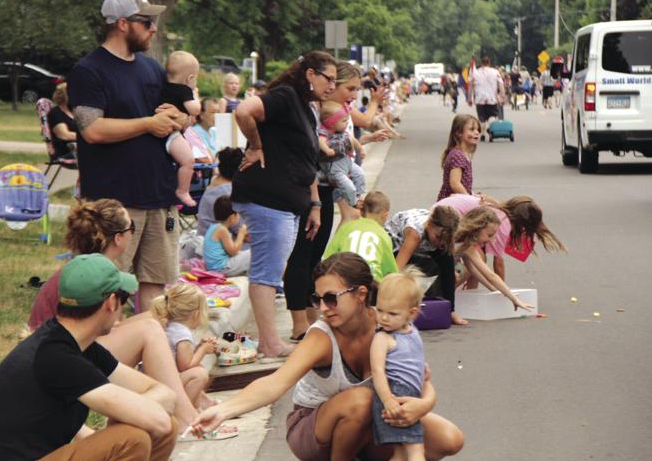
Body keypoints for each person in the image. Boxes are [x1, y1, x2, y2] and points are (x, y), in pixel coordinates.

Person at [191, 253, 464, 460]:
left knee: (449, 439)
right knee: (361, 399)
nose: (323, 308)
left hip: (374, 419)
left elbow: (419, 378)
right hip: (314, 430)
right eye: (317, 298)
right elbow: (276, 382)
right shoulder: (322, 337)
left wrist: (424, 404)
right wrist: (223, 410)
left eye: (331, 298)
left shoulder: (390, 322)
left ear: (361, 294)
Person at [26, 198, 219, 433]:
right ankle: (187, 418)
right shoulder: (98, 273)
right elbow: (107, 329)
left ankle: (184, 407)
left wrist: (157, 316)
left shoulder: (87, 268)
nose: (133, 235)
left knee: (150, 324)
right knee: (150, 331)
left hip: (55, 350)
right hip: (59, 357)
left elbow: (108, 325)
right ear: (119, 238)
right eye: (132, 229)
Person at [0, 254, 178, 461]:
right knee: (131, 438)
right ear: (112, 302)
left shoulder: (76, 344)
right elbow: (158, 419)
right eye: (124, 298)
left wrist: (131, 413)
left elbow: (167, 397)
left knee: (161, 427)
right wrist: (131, 413)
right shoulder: (56, 357)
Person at [67, 0, 187, 312]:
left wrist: (181, 117)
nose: (154, 28)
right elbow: (92, 129)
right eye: (146, 21)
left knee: (155, 285)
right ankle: (106, 359)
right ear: (122, 23)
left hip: (158, 197)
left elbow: (176, 112)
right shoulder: (89, 71)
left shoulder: (152, 69)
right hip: (114, 201)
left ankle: (146, 357)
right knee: (108, 287)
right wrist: (148, 123)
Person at [231, 50, 337, 359]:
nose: (331, 86)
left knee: (271, 270)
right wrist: (255, 144)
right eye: (328, 78)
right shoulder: (286, 95)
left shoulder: (305, 107)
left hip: (289, 202)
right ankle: (269, 342)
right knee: (267, 272)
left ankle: (270, 340)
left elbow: (306, 161)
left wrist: (314, 203)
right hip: (268, 198)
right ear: (310, 75)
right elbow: (244, 111)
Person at [283, 61, 390, 343]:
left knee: (315, 254)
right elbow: (313, 153)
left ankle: (311, 316)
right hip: (311, 189)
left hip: (327, 188)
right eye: (349, 88)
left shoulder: (335, 112)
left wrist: (362, 141)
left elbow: (348, 138)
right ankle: (298, 323)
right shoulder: (314, 113)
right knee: (302, 254)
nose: (353, 95)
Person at [435, 193, 566, 283]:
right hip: (447, 218)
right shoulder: (503, 224)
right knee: (476, 261)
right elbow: (498, 264)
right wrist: (501, 293)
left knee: (479, 259)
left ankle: (469, 293)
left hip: (445, 210)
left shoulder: (500, 211)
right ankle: (449, 294)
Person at [371, 270, 426, 460]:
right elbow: (377, 371)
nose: (384, 318)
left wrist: (422, 367)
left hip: (409, 393)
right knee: (415, 448)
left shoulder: (412, 331)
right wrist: (388, 400)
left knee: (402, 453)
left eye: (392, 313)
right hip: (394, 394)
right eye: (380, 310)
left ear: (412, 313)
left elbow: (412, 355)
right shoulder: (382, 338)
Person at [385, 206, 466, 325]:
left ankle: (450, 311)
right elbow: (396, 269)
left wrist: (453, 272)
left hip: (423, 240)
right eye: (438, 237)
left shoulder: (445, 233)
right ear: (429, 224)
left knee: (447, 262)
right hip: (395, 243)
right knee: (409, 271)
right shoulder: (415, 234)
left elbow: (449, 259)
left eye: (445, 239)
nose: (440, 243)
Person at [150, 284, 223, 414]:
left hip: (157, 382)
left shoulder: (172, 327)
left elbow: (179, 362)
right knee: (199, 374)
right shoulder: (183, 334)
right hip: (164, 385)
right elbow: (185, 366)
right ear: (196, 314)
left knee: (197, 368)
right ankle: (187, 413)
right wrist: (204, 350)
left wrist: (200, 346)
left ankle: (203, 403)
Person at [454, 208, 534, 311]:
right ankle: (446, 304)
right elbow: (491, 276)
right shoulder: (465, 244)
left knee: (458, 271)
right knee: (455, 273)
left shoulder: (467, 244)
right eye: (489, 235)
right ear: (477, 228)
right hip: (433, 273)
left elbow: (474, 271)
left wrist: (496, 290)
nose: (491, 240)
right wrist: (514, 299)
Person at [323, 190, 398, 282]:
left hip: (344, 278)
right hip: (370, 281)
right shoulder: (383, 235)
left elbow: (328, 258)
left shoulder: (346, 228)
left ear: (362, 211)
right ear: (385, 215)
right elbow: (390, 270)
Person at [161, 50, 202, 207]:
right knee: (188, 161)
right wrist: (195, 96)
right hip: (172, 135)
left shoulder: (164, 87)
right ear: (190, 78)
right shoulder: (183, 89)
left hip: (165, 133)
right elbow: (195, 110)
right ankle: (183, 190)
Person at [318, 100, 366, 217]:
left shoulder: (343, 131)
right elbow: (320, 141)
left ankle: (359, 195)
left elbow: (353, 140)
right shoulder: (325, 132)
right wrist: (327, 149)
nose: (346, 124)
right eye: (343, 121)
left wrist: (361, 149)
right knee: (348, 186)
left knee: (360, 174)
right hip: (335, 168)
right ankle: (353, 202)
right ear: (331, 123)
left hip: (347, 162)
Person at [197, 146, 243, 235]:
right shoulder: (228, 191)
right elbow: (240, 229)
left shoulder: (215, 181)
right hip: (218, 243)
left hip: (205, 238)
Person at [437, 114, 480, 201]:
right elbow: (455, 184)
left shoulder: (463, 154)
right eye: (472, 129)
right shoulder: (457, 156)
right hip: (451, 206)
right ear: (459, 133)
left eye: (478, 130)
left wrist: (472, 194)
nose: (476, 132)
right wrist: (470, 199)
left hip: (459, 200)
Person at [203, 196, 250, 276]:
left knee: (243, 254)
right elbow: (233, 251)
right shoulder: (222, 230)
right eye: (237, 214)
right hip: (221, 269)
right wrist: (241, 234)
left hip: (215, 267)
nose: (239, 216)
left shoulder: (215, 227)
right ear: (232, 218)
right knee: (253, 253)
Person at [468, 57, 504, 140]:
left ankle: (483, 134)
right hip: (492, 99)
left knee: (481, 117)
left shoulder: (475, 73)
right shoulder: (495, 72)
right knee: (493, 115)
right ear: (489, 63)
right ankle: (489, 127)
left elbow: (471, 86)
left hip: (479, 99)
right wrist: (502, 96)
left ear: (481, 63)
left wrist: (469, 98)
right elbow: (501, 85)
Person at [48, 82, 78, 159]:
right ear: (64, 96)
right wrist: (87, 136)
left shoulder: (73, 111)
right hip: (66, 151)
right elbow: (64, 135)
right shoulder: (55, 113)